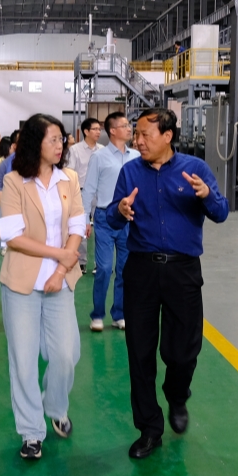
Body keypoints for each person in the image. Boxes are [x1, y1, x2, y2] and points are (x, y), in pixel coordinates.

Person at [106, 107, 228, 460]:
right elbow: (113, 217)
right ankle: (149, 428)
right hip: (141, 270)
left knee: (183, 350)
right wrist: (120, 211)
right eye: (136, 134)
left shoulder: (195, 169)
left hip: (182, 271)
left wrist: (206, 195)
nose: (138, 141)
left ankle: (177, 394)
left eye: (145, 134)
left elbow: (221, 213)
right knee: (139, 352)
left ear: (167, 136)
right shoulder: (130, 172)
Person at [0, 113, 86, 460]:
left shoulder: (69, 179)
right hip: (22, 282)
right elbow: (13, 237)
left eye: (62, 139)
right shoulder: (14, 181)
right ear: (35, 143)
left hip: (59, 281)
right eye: (53, 139)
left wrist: (61, 270)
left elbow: (77, 226)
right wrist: (60, 254)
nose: (60, 145)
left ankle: (55, 406)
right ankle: (32, 432)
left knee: (66, 354)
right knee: (23, 361)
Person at [83, 111, 140, 333]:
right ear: (113, 130)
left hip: (129, 218)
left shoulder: (136, 156)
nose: (129, 128)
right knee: (105, 268)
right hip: (105, 217)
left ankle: (119, 314)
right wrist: (85, 219)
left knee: (125, 269)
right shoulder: (99, 157)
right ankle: (97, 314)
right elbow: (89, 190)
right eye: (125, 125)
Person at [68, 117, 102, 273]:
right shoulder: (75, 150)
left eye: (99, 129)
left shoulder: (102, 150)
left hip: (99, 192)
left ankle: (99, 263)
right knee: (81, 227)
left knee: (101, 228)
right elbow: (70, 172)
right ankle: (81, 262)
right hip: (81, 192)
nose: (98, 132)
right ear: (86, 131)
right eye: (95, 129)